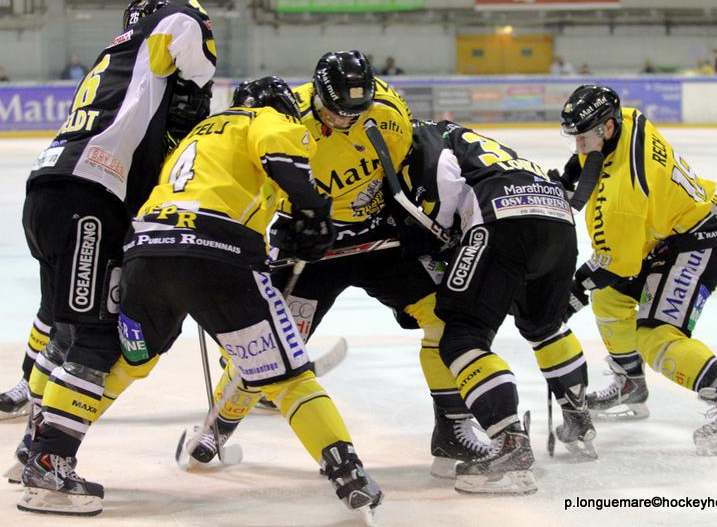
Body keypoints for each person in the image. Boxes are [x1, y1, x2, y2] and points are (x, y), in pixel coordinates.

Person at [191, 50, 491, 479]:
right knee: (267, 345)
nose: (344, 120)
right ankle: (215, 430)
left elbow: (411, 166)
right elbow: (249, 183)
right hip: (315, 249)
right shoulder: (283, 121)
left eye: (355, 111)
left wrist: (427, 221)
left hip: (381, 238)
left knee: (446, 319)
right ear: (316, 95)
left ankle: (452, 430)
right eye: (334, 111)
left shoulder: (387, 112)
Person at [116, 75, 381, 517]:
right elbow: (283, 188)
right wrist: (311, 220)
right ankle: (347, 472)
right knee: (284, 374)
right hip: (220, 259)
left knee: (130, 362)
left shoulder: (201, 137)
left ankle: (50, 445)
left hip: (149, 252)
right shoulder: (266, 124)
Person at [14, 0, 216, 515]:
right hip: (90, 193)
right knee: (98, 336)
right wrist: (198, 98)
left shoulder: (119, 58)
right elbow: (189, 32)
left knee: (65, 328)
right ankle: (50, 466)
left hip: (50, 190)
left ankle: (33, 450)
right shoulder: (169, 23)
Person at [556, 85, 717, 455]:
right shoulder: (628, 118)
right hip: (673, 231)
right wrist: (571, 173)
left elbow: (616, 262)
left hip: (700, 242)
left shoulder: (623, 195)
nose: (580, 147)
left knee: (656, 337)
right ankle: (630, 384)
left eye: (585, 138)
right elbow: (593, 161)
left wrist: (571, 294)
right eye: (575, 138)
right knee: (609, 298)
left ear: (606, 129)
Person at [402, 120, 594, 494]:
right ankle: (578, 417)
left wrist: (434, 246)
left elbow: (441, 198)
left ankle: (509, 442)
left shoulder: (423, 136)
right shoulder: (479, 142)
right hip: (559, 221)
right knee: (545, 326)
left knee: (461, 336)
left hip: (503, 221)